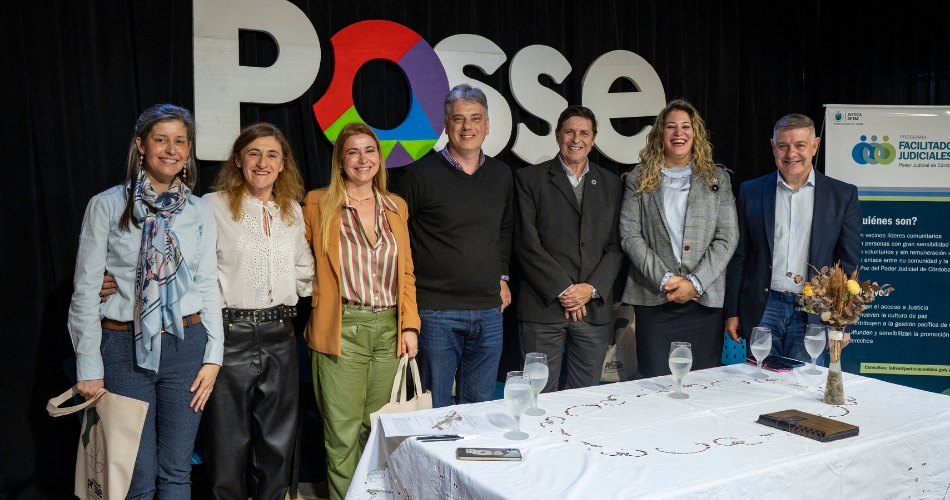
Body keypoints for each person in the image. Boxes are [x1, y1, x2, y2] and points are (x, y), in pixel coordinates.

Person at [68, 103, 223, 498]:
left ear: (188, 150)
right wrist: (89, 365)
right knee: (135, 476)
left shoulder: (200, 210)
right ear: (141, 145)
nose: (171, 149)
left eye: (180, 141)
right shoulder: (106, 205)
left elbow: (207, 284)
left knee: (176, 472)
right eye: (161, 140)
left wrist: (214, 356)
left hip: (187, 348)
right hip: (123, 349)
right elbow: (85, 291)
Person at [302, 122, 419, 500]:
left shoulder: (395, 206)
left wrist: (410, 326)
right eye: (352, 151)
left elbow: (406, 272)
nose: (362, 159)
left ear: (380, 159)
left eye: (370, 150)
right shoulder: (318, 203)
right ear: (340, 160)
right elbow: (294, 259)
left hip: (389, 330)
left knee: (378, 429)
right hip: (342, 328)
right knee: (342, 434)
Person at [201, 123, 314, 500]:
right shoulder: (212, 206)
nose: (262, 162)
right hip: (229, 333)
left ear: (283, 164)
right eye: (254, 153)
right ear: (238, 159)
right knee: (227, 441)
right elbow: (192, 268)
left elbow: (304, 268)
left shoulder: (291, 210)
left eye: (272, 155)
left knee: (277, 442)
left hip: (280, 332)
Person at [392, 84, 514, 408]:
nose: (467, 126)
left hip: (489, 312)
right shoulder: (418, 175)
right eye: (459, 119)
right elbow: (396, 238)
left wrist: (502, 277)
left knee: (478, 412)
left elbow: (504, 229)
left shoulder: (502, 175)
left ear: (487, 125)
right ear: (446, 125)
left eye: (475, 118)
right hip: (435, 312)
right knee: (433, 413)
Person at [725, 114, 861, 361]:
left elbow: (848, 265)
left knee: (805, 383)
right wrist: (732, 312)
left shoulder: (842, 195)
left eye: (800, 145)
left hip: (815, 313)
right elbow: (739, 255)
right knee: (760, 381)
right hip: (762, 309)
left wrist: (843, 321)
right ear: (773, 146)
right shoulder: (751, 191)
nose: (791, 154)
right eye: (783, 146)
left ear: (815, 145)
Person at [619, 99, 738, 378]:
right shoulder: (638, 179)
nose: (678, 133)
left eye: (686, 126)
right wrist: (666, 280)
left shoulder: (717, 180)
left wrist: (695, 283)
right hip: (654, 299)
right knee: (655, 383)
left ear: (695, 133)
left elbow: (727, 237)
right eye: (671, 126)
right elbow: (629, 235)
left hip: (703, 301)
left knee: (702, 385)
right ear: (660, 133)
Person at [514, 105, 623, 391]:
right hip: (543, 309)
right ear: (557, 135)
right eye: (570, 132)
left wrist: (589, 289)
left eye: (584, 133)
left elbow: (616, 246)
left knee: (584, 401)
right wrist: (564, 290)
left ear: (593, 139)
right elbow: (527, 244)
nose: (576, 139)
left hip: (593, 310)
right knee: (537, 397)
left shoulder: (612, 184)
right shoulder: (529, 179)